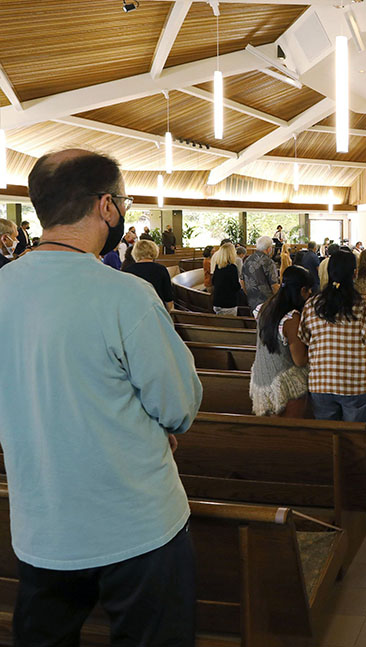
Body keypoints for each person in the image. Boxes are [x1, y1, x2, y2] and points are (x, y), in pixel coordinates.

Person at [0, 149, 201, 644]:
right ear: (107, 207)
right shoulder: (124, 294)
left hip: (42, 523)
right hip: (136, 525)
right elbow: (178, 406)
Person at [299, 248, 366, 422]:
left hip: (321, 382)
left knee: (329, 438)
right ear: (355, 273)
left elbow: (305, 339)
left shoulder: (312, 304)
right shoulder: (365, 304)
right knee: (354, 439)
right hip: (357, 382)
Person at [249, 265, 310, 417]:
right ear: (302, 290)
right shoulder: (291, 318)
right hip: (284, 384)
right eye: (309, 290)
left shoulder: (265, 307)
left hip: (261, 379)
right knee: (290, 433)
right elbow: (300, 360)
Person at [125, 239, 175, 311]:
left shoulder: (128, 270)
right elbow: (168, 298)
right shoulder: (161, 269)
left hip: (135, 311)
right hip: (156, 310)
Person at [243, 236, 280, 312]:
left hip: (252, 301)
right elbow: (274, 285)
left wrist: (249, 294)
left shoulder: (247, 260)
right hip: (267, 303)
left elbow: (242, 281)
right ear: (269, 248)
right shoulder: (269, 262)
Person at [212, 242, 243, 316]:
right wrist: (240, 285)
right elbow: (235, 286)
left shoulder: (218, 266)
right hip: (228, 303)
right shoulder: (232, 268)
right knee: (230, 325)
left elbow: (213, 281)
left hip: (217, 302)